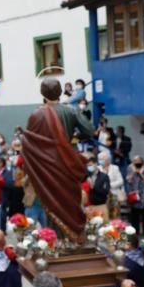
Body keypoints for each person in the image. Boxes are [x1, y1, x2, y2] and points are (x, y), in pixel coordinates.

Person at [21, 78, 97, 240]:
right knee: (69, 202)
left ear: (42, 93)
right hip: (67, 162)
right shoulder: (71, 111)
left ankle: (53, 240)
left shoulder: (36, 114)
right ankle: (73, 238)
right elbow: (90, 130)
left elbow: (30, 144)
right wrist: (75, 137)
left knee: (51, 202)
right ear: (61, 92)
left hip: (47, 167)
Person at [126, 156, 144, 236]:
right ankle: (135, 234)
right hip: (135, 198)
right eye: (135, 161)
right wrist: (133, 172)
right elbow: (128, 180)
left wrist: (141, 173)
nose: (137, 163)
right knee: (134, 218)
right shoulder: (130, 170)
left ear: (142, 162)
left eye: (139, 161)